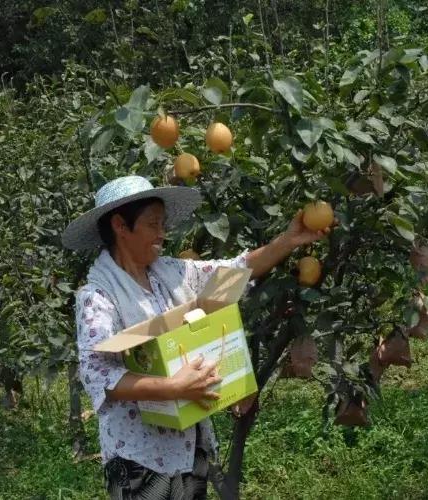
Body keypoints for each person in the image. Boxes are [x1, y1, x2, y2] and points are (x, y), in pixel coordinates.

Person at [62, 175, 328, 499]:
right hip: (139, 458)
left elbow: (230, 276)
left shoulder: (169, 273)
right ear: (120, 225)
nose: (163, 233)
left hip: (191, 444)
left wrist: (287, 241)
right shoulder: (99, 296)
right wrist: (172, 388)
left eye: (163, 223)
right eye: (152, 224)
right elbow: (98, 374)